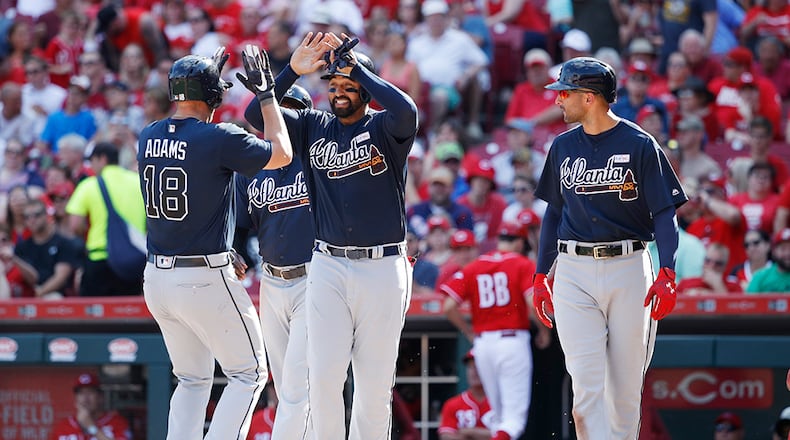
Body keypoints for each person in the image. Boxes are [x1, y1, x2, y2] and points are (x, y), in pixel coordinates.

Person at [244, 32, 418, 440]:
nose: (338, 92)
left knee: (374, 387)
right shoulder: (312, 126)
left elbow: (407, 110)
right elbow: (257, 114)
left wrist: (357, 67)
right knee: (322, 379)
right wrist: (290, 73)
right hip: (327, 265)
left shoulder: (386, 128)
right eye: (333, 85)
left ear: (366, 89)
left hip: (383, 265)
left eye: (348, 85)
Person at [139, 45, 293, 439]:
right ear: (212, 96)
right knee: (249, 374)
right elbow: (283, 154)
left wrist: (205, 81)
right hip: (202, 277)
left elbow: (192, 194)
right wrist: (266, 96)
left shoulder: (147, 135)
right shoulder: (219, 137)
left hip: (158, 278)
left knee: (191, 378)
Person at [531, 57, 687, 439]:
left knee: (623, 393)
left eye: (564, 92)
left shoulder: (639, 144)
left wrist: (667, 270)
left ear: (589, 98)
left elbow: (666, 213)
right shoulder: (562, 146)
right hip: (573, 269)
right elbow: (553, 214)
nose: (557, 100)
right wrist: (540, 273)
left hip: (629, 265)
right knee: (585, 388)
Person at [235, 84, 314, 439]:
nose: (279, 118)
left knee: (299, 383)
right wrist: (233, 250)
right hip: (272, 281)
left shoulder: (317, 159)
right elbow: (238, 225)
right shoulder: (253, 167)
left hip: (315, 278)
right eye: (276, 110)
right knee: (286, 388)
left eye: (289, 111)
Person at [440, 221, 551, 440]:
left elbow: (448, 306)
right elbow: (531, 303)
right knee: (514, 421)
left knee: (499, 418)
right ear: (519, 243)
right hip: (511, 342)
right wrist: (543, 330)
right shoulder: (521, 263)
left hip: (483, 345)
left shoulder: (473, 266)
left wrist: (468, 331)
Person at [66, 142, 145, 297]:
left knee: (94, 317)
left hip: (99, 257)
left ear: (102, 159)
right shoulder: (138, 182)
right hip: (133, 259)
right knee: (130, 316)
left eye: (92, 161)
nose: (91, 166)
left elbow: (75, 226)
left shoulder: (89, 185)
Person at [14, 198, 83, 299]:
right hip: (27, 295)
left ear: (46, 215)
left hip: (55, 294)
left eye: (36, 215)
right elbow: (30, 278)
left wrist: (40, 293)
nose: (32, 220)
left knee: (54, 298)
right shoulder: (22, 247)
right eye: (27, 217)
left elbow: (61, 277)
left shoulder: (63, 243)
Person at [52, 372, 132, 440]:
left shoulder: (117, 423)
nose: (85, 398)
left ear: (100, 397)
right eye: (81, 393)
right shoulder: (63, 426)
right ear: (75, 398)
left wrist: (91, 427)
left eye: (90, 392)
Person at [437, 350, 493, 439]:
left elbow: (509, 434)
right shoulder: (452, 404)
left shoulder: (502, 402)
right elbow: (446, 436)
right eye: (470, 367)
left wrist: (469, 432)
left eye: (478, 366)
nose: (474, 371)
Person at [675, 242, 743, 294]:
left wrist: (718, 286)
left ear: (725, 267)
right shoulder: (685, 283)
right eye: (708, 261)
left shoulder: (734, 287)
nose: (711, 266)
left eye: (718, 263)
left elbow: (733, 311)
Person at [747, 227, 790, 293]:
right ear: (774, 251)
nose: (787, 253)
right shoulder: (760, 277)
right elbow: (749, 302)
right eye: (783, 249)